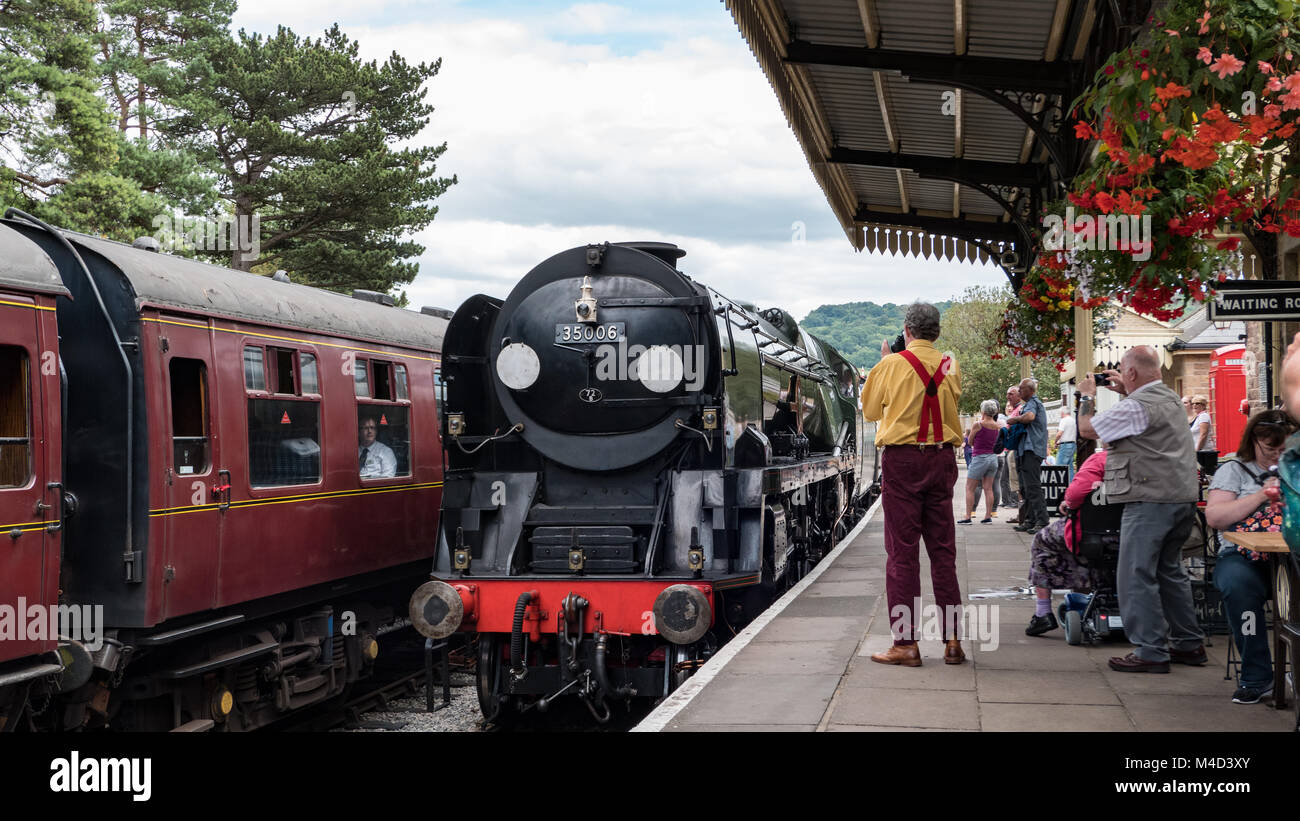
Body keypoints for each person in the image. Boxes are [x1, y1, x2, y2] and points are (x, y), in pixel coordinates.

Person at [1077, 345, 1206, 673]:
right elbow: (1140, 424)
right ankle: (1188, 643)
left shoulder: (1138, 405)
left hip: (1150, 499)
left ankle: (1151, 650)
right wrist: (1126, 391)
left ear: (1131, 372)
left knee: (1135, 574)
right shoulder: (1170, 398)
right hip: (1180, 496)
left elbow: (1088, 429)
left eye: (1123, 370)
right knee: (1169, 571)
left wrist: (1087, 397)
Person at [860, 302, 965, 666]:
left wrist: (886, 362)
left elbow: (871, 411)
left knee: (902, 554)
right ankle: (953, 641)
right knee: (943, 552)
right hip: (942, 459)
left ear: (907, 330)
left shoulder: (889, 365)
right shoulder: (950, 364)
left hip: (903, 461)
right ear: (937, 332)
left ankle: (905, 644)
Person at [1204, 410, 1299, 703]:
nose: (1276, 456)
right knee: (1238, 587)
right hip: (1243, 555)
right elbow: (1216, 517)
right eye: (1271, 449)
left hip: (1291, 555)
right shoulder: (1234, 470)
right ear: (1253, 442)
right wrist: (1260, 496)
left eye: (1284, 450)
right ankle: (1257, 677)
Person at [1025, 439, 1104, 635]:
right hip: (1135, 532)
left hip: (1094, 531)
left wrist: (1067, 503)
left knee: (1042, 541)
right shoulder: (1149, 458)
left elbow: (1076, 494)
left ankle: (1043, 612)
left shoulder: (1101, 460)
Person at [1007, 378, 1049, 533]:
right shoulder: (1028, 404)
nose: (1019, 391)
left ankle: (1042, 520)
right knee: (1025, 487)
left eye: (1021, 388)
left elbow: (1030, 417)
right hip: (1024, 450)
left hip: (1031, 450)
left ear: (1030, 390)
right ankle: (1030, 519)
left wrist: (1015, 419)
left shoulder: (1033, 402)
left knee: (1033, 486)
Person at [960, 400, 1000, 524]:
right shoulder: (997, 425)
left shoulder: (978, 425)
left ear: (983, 411)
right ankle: (988, 516)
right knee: (988, 488)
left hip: (979, 458)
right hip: (993, 458)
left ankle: (968, 516)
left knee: (970, 488)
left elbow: (970, 442)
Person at [1001, 386, 1022, 511]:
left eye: (1011, 394)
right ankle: (1019, 508)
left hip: (1014, 449)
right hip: (1009, 449)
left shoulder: (1020, 409)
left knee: (1014, 479)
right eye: (1007, 394)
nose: (1008, 396)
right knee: (1009, 478)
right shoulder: (1015, 410)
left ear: (1019, 395)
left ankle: (1017, 503)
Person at [1189, 395, 1218, 475]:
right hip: (1201, 452)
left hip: (1204, 453)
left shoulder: (1203, 416)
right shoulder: (1199, 417)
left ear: (1203, 405)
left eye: (1197, 403)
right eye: (1193, 403)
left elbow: (1203, 434)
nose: (1194, 405)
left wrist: (1197, 450)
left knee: (1206, 476)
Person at [1055, 407, 1077, 482]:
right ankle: (1071, 485)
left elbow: (1059, 433)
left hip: (1065, 445)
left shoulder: (1064, 420)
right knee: (1069, 467)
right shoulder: (1073, 420)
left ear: (1062, 413)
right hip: (1072, 445)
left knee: (1059, 466)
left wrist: (1055, 441)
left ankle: (1059, 486)